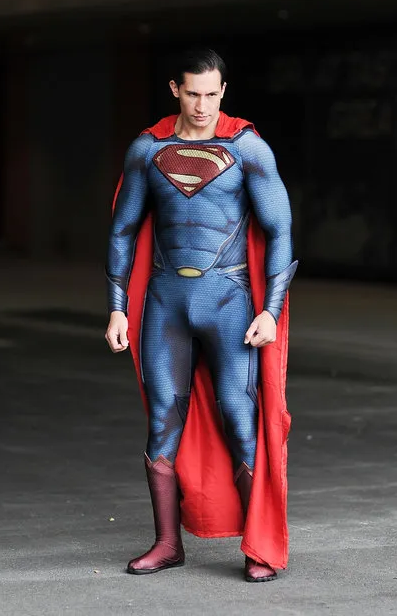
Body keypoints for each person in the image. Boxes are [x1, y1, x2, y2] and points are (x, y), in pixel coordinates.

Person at [105, 48, 297, 582]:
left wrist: (271, 310)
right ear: (175, 89)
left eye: (213, 94)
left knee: (241, 418)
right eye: (193, 93)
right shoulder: (148, 149)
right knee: (162, 421)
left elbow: (280, 231)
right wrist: (117, 309)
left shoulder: (247, 149)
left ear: (223, 92)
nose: (204, 105)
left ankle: (257, 546)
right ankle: (168, 544)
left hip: (231, 301)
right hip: (166, 301)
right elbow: (122, 230)